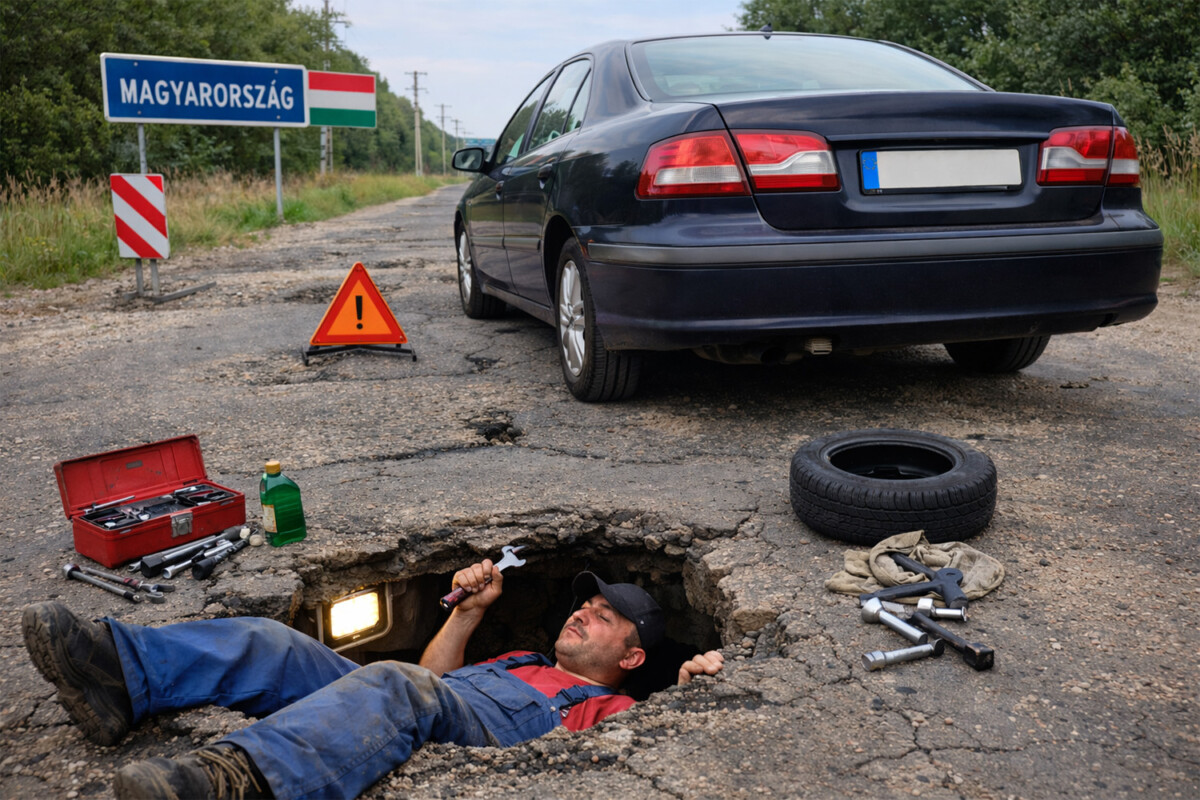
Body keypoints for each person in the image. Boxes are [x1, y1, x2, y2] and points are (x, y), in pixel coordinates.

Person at [22, 560, 725, 800]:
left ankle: (231, 783)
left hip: (480, 732)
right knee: (274, 641)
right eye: (583, 604)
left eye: (603, 617)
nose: (581, 613)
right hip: (434, 698)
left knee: (394, 685)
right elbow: (429, 679)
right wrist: (469, 612)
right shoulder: (524, 660)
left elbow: (661, 745)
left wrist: (695, 690)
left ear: (631, 658)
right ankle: (119, 675)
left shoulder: (611, 707)